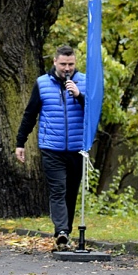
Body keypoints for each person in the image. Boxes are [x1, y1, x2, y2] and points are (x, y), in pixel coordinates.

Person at [14, 44, 86, 249]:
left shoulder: (84, 82)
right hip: (51, 148)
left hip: (77, 148)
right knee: (58, 190)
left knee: (71, 192)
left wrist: (79, 95)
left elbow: (94, 111)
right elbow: (30, 115)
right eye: (63, 64)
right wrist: (21, 142)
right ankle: (61, 231)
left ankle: (66, 232)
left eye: (71, 64)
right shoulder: (42, 84)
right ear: (55, 62)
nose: (67, 68)